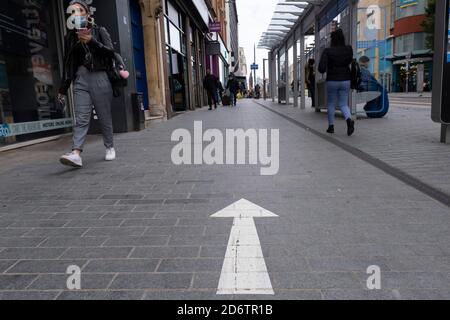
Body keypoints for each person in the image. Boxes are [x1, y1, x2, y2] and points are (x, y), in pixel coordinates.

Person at [58, 0, 117, 168]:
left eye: (80, 10)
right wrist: (63, 87)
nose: (76, 14)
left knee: (104, 116)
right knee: (82, 118)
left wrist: (91, 41)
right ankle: (76, 153)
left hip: (100, 77)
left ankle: (109, 146)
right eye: (73, 11)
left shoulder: (100, 31)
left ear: (87, 14)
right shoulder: (69, 37)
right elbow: (68, 63)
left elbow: (110, 53)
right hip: (80, 80)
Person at [318, 29, 355, 136]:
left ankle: (331, 127)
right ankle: (349, 120)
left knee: (331, 104)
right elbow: (349, 62)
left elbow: (321, 69)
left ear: (332, 39)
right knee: (343, 103)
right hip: (346, 79)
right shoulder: (348, 49)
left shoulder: (328, 51)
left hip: (332, 80)